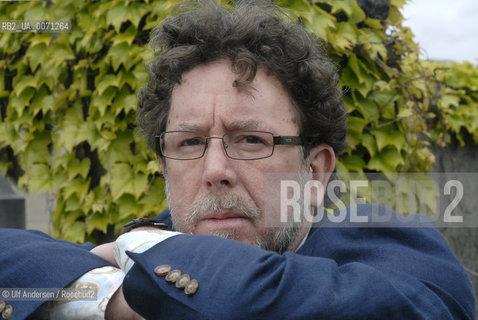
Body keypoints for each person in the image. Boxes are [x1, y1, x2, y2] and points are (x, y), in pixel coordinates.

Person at [0, 0, 474, 319]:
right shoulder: (149, 246)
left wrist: (138, 263)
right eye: (188, 144)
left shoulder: (391, 252)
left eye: (250, 140)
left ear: (316, 171)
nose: (214, 172)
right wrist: (108, 296)